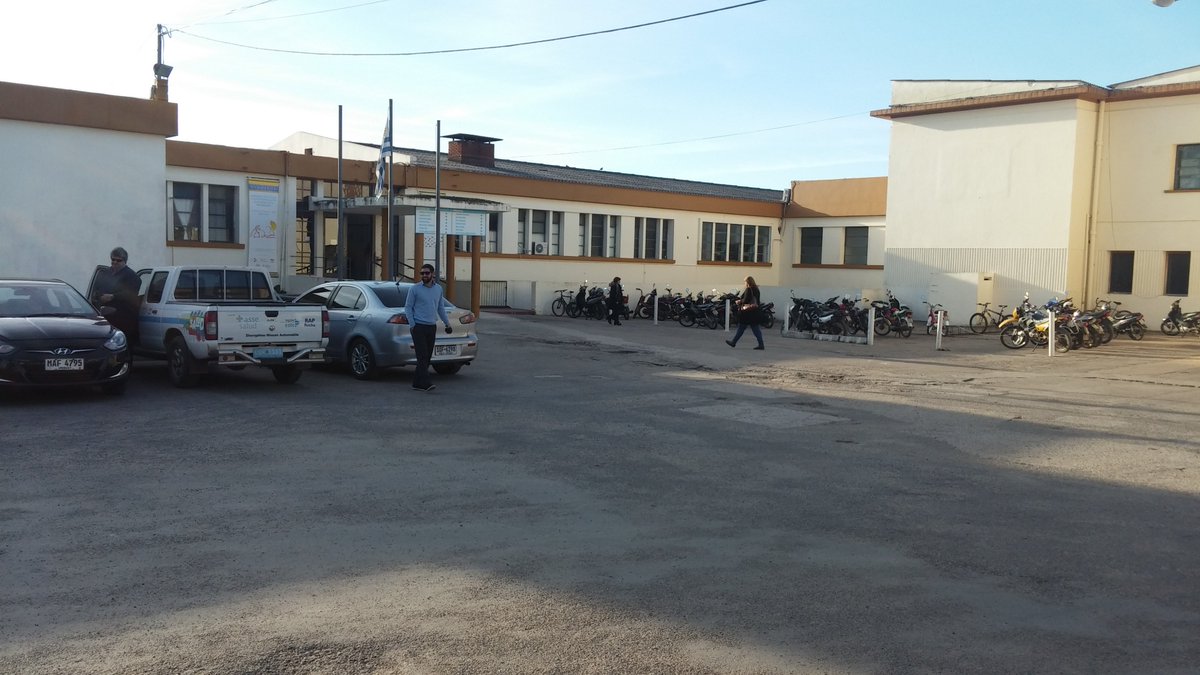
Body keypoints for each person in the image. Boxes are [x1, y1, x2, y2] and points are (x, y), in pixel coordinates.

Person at [404, 264, 452, 392]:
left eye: (427, 273)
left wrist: (447, 324)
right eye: (422, 273)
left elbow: (440, 308)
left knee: (428, 356)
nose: (424, 275)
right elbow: (408, 307)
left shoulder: (438, 289)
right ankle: (425, 382)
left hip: (431, 326)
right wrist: (412, 325)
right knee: (422, 356)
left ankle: (416, 383)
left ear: (432, 274)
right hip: (418, 327)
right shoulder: (414, 289)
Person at [95, 246, 140, 345]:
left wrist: (113, 296)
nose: (114, 262)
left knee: (123, 345)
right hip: (107, 318)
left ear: (124, 261)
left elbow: (130, 294)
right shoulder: (106, 273)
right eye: (113, 259)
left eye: (118, 260)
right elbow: (97, 288)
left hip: (124, 318)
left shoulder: (132, 276)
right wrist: (100, 297)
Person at [725, 276, 765, 350]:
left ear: (748, 282)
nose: (744, 283)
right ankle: (761, 344)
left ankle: (733, 342)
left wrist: (739, 301)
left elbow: (746, 300)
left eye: (745, 281)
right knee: (755, 328)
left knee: (741, 327)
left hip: (747, 313)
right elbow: (757, 301)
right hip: (755, 312)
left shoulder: (749, 289)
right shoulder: (756, 289)